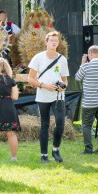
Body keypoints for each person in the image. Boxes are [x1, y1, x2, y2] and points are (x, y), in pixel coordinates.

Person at [28, 31, 69, 163]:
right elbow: (30, 79)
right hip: (43, 95)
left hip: (58, 95)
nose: (53, 43)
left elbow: (65, 80)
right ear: (46, 42)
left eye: (56, 41)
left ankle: (55, 150)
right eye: (51, 40)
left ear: (58, 43)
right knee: (44, 124)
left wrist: (62, 86)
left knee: (60, 122)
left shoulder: (62, 60)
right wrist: (43, 85)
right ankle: (44, 155)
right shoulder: (38, 58)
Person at [0, 57, 21, 161]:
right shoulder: (11, 80)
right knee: (11, 134)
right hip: (9, 107)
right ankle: (14, 157)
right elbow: (15, 97)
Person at [75, 45, 98, 154]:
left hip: (88, 102)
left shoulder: (86, 67)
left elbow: (77, 77)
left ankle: (88, 149)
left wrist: (82, 64)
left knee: (87, 125)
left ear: (91, 54)